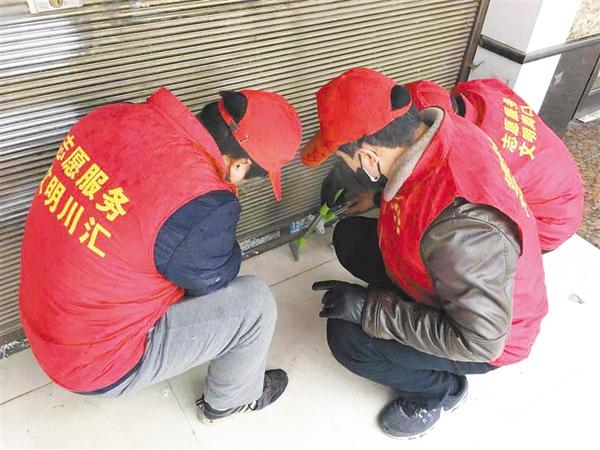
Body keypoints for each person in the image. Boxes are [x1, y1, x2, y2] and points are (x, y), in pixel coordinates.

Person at [19, 87, 301, 423]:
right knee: (255, 305)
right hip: (90, 363)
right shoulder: (198, 203)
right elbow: (214, 278)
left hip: (40, 316)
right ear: (239, 165)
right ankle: (230, 401)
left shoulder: (114, 115)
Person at [301, 68, 548, 439]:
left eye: (347, 159)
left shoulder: (463, 228)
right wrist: (377, 195)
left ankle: (439, 392)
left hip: (487, 332)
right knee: (350, 237)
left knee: (347, 339)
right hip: (455, 277)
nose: (348, 167)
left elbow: (479, 340)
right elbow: (421, 191)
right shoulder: (445, 130)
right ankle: (400, 314)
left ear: (368, 156)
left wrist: (370, 310)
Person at [322, 78, 584, 253]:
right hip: (560, 182)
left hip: (548, 221)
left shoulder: (475, 160)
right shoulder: (480, 91)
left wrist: (378, 199)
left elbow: (435, 201)